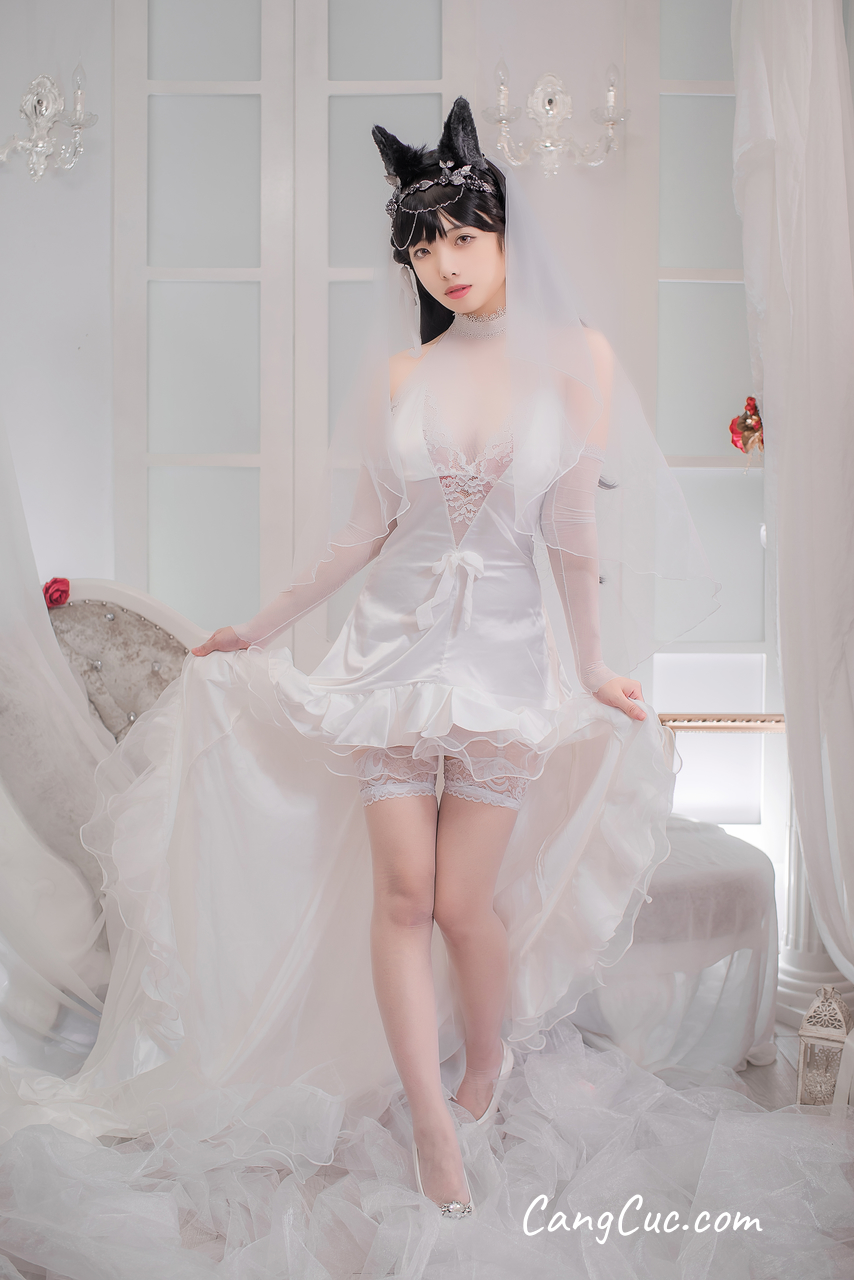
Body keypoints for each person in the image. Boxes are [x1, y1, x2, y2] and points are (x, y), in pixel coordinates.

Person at [184, 99, 681, 1216]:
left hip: (502, 665)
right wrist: (259, 628)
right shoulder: (403, 378)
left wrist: (592, 667)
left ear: (504, 232)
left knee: (463, 903)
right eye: (421, 247)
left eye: (461, 235)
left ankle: (485, 1065)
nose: (443, 263)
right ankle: (429, 1126)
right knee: (403, 894)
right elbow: (360, 536)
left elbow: (571, 528)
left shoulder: (577, 359)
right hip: (389, 661)